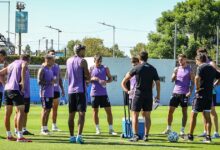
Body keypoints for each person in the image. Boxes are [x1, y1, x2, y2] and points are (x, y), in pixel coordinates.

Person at [121, 51, 160, 142]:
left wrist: (127, 91)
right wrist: (158, 96)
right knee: (147, 116)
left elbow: (124, 81)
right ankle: (146, 136)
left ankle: (136, 136)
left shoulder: (137, 67)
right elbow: (157, 83)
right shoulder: (152, 68)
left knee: (134, 115)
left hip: (138, 94)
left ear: (139, 58)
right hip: (148, 95)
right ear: (147, 58)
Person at [187, 54, 220, 143]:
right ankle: (208, 137)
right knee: (207, 117)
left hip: (200, 95)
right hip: (209, 95)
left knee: (193, 115)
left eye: (196, 61)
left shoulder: (201, 67)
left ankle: (190, 136)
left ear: (199, 60)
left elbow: (197, 78)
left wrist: (197, 88)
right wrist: (215, 83)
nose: (196, 63)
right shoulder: (212, 68)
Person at [0, 54, 32, 142]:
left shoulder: (12, 64)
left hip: (7, 90)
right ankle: (20, 136)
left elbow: (1, 73)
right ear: (27, 60)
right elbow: (24, 66)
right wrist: (22, 81)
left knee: (7, 113)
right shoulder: (24, 63)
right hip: (15, 89)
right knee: (21, 111)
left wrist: (4, 84)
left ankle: (9, 135)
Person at [162, 54, 194, 136]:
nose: (180, 61)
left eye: (182, 60)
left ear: (185, 59)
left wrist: (190, 91)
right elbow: (172, 80)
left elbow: (193, 81)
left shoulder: (189, 69)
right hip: (175, 92)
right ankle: (168, 128)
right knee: (170, 111)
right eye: (179, 60)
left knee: (184, 112)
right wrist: (175, 74)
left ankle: (182, 130)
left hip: (184, 94)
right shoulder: (176, 69)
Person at [66, 44, 90, 144]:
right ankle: (79, 136)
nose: (84, 53)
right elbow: (87, 75)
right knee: (81, 114)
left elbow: (68, 75)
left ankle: (71, 137)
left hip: (71, 90)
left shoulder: (68, 60)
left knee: (71, 115)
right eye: (84, 51)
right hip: (80, 90)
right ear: (80, 51)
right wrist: (87, 79)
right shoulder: (83, 61)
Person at [90, 55, 116, 135]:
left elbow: (111, 78)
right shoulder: (91, 68)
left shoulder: (105, 68)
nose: (99, 63)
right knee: (95, 111)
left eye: (100, 61)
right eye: (98, 61)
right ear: (94, 61)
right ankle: (97, 129)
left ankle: (111, 129)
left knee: (109, 111)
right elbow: (87, 79)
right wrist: (93, 79)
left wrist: (106, 82)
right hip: (94, 93)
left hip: (103, 94)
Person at [196, 48, 220, 138]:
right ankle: (206, 131)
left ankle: (216, 132)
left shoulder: (211, 63)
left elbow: (219, 73)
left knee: (212, 112)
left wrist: (215, 83)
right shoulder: (200, 64)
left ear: (206, 53)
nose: (201, 54)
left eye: (202, 53)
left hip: (210, 92)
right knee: (204, 112)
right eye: (199, 53)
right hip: (203, 91)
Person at [14, 56, 34, 136]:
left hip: (27, 94)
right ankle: (16, 129)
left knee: (25, 112)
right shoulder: (21, 66)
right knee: (18, 112)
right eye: (29, 59)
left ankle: (24, 129)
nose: (29, 61)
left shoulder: (26, 68)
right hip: (21, 93)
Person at [47, 50, 65, 132]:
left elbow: (59, 78)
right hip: (48, 90)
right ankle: (44, 127)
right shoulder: (45, 66)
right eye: (51, 54)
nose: (53, 56)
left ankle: (54, 126)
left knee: (55, 109)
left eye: (54, 54)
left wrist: (62, 89)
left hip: (56, 90)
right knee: (46, 109)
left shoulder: (57, 66)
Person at [38, 54, 55, 135]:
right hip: (44, 93)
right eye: (52, 60)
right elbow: (39, 81)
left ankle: (45, 128)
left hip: (50, 93)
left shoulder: (50, 69)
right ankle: (42, 129)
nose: (54, 62)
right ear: (47, 60)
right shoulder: (42, 69)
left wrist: (53, 81)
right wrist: (49, 82)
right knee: (45, 110)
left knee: (48, 110)